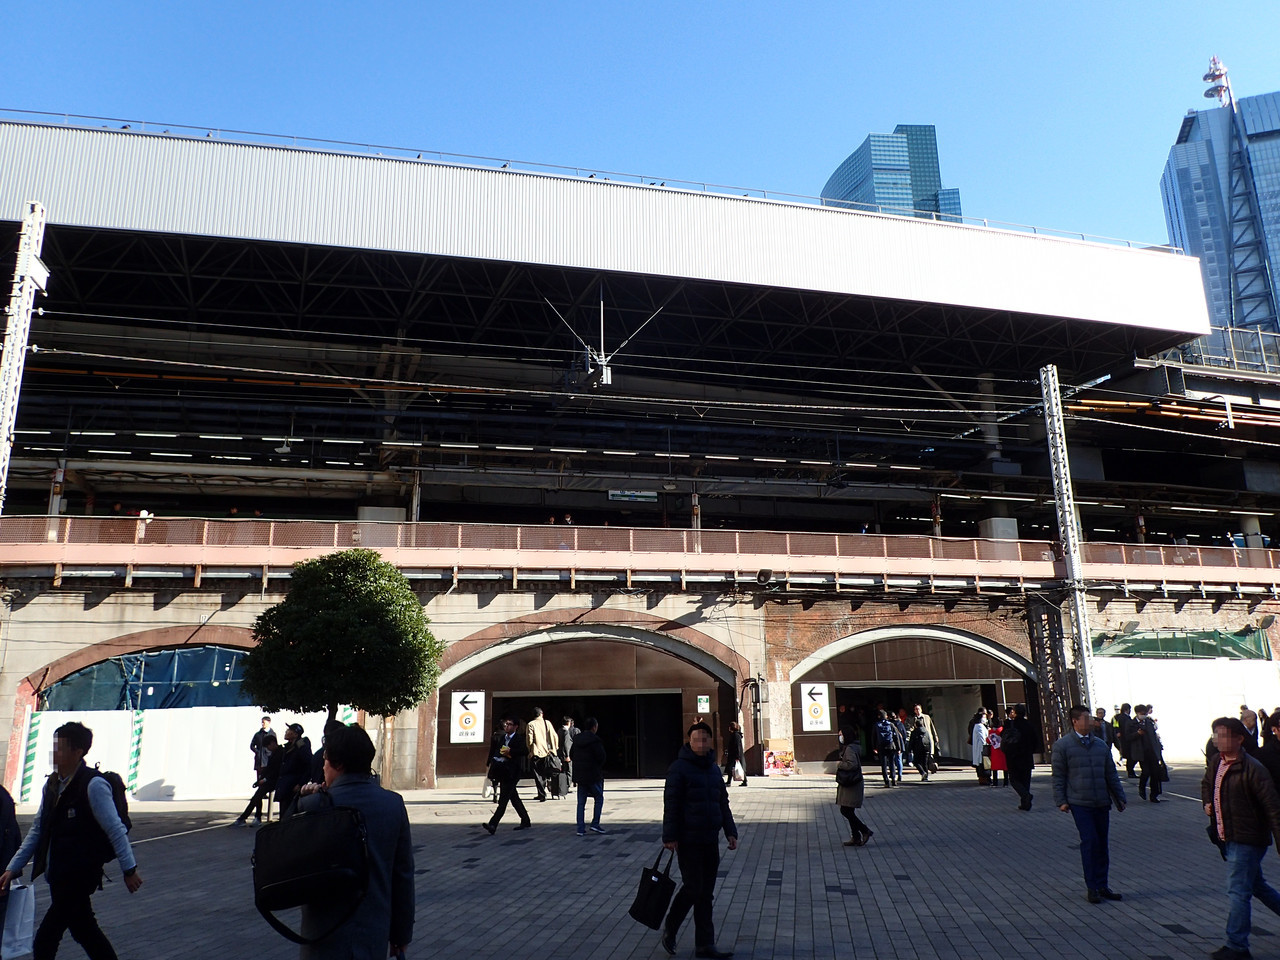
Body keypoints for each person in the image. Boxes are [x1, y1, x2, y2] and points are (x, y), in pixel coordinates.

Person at [0, 721, 142, 960]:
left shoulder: (93, 785)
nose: (54, 753)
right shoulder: (53, 785)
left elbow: (115, 829)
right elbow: (37, 830)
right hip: (58, 874)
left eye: (60, 748)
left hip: (79, 875)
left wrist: (129, 869)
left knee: (46, 940)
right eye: (54, 746)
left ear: (78, 752)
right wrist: (13, 868)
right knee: (85, 931)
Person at [295, 723, 414, 960]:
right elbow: (402, 875)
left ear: (337, 764)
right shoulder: (392, 804)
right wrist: (401, 935)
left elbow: (288, 855)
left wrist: (301, 801)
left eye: (326, 760)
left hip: (323, 931)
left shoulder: (315, 805)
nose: (323, 766)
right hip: (373, 929)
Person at [1202, 716, 1280, 960]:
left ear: (1239, 739)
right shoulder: (1217, 761)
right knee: (1257, 886)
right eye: (1216, 734)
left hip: (1248, 838)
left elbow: (1273, 808)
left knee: (1238, 892)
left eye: (1223, 735)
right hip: (1227, 837)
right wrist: (1207, 802)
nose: (1218, 740)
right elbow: (1207, 784)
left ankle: (1237, 946)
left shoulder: (1253, 768)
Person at [661, 722, 738, 960]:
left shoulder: (714, 769)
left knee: (706, 894)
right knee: (694, 888)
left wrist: (730, 830)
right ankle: (670, 929)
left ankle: (705, 944)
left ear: (710, 742)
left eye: (705, 739)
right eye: (697, 739)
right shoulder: (679, 768)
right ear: (689, 741)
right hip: (688, 839)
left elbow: (722, 802)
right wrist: (670, 836)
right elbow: (671, 803)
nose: (701, 743)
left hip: (709, 839)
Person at [1051, 704, 1126, 904]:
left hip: (1101, 801)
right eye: (1085, 718)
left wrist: (1119, 798)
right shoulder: (1063, 746)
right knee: (1090, 841)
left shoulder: (1101, 745)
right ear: (1075, 721)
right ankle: (1091, 886)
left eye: (1090, 718)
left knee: (1102, 844)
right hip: (1079, 802)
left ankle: (1103, 884)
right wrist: (1061, 801)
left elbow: (1111, 774)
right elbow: (1058, 776)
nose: (1090, 722)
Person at [484, 716, 531, 833]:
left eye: (509, 724)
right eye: (506, 724)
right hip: (503, 771)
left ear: (515, 727)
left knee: (503, 800)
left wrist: (510, 752)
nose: (507, 726)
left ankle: (493, 824)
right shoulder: (502, 738)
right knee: (514, 798)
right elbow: (497, 751)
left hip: (513, 772)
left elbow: (524, 751)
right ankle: (525, 820)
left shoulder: (518, 739)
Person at [231, 733, 280, 825]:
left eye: (268, 746)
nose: (267, 749)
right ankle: (254, 817)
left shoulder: (280, 753)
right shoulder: (273, 753)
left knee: (258, 795)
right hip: (270, 779)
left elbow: (276, 770)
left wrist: (264, 779)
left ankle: (247, 817)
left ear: (273, 743)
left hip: (275, 780)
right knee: (257, 795)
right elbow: (269, 769)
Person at [569, 717, 607, 836]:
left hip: (580, 775)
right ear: (594, 727)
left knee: (581, 802)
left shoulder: (577, 739)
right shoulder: (595, 740)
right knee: (599, 798)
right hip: (593, 774)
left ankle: (580, 828)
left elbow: (571, 755)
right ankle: (595, 823)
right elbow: (602, 757)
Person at [834, 728, 871, 846]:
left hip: (851, 783)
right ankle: (856, 837)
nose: (840, 737)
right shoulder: (852, 747)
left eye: (841, 734)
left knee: (845, 810)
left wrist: (840, 764)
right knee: (848, 810)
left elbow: (852, 764)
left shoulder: (849, 749)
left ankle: (865, 830)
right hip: (852, 782)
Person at [1003, 703, 1036, 810]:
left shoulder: (1010, 724)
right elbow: (1035, 740)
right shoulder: (1029, 725)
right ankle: (1026, 803)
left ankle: (1025, 796)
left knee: (1014, 779)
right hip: (1027, 756)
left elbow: (1003, 738)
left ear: (1015, 712)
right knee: (1026, 780)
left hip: (1013, 756)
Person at [276, 723, 313, 818]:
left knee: (289, 815)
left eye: (289, 731)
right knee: (283, 814)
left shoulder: (301, 746)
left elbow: (308, 766)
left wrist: (300, 783)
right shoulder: (288, 747)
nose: (286, 732)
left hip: (293, 786)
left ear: (295, 734)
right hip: (285, 786)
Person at [1129, 705, 1165, 803]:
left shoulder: (1149, 722)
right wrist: (1137, 734)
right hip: (1141, 753)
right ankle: (1142, 787)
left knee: (1155, 774)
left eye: (1145, 713)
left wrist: (1159, 748)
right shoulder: (1131, 723)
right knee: (1146, 772)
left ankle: (1154, 795)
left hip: (1152, 751)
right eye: (1142, 714)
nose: (1143, 715)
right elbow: (1128, 737)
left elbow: (1154, 737)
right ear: (1137, 713)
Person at [525, 706, 559, 803]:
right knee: (545, 772)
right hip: (548, 752)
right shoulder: (547, 723)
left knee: (538, 774)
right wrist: (555, 748)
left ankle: (542, 794)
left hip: (537, 752)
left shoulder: (531, 724)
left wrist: (530, 750)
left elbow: (529, 739)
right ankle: (546, 789)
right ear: (541, 714)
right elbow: (554, 736)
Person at [908, 704, 940, 780]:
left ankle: (926, 773)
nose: (917, 710)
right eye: (916, 709)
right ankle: (925, 774)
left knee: (927, 758)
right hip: (918, 741)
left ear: (921, 709)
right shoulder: (914, 719)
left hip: (928, 740)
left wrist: (935, 736)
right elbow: (911, 728)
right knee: (922, 759)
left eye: (918, 709)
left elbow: (932, 727)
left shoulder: (927, 717)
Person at [872, 710, 903, 787]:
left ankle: (886, 781)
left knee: (884, 764)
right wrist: (899, 748)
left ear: (879, 716)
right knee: (892, 763)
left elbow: (873, 737)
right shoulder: (891, 724)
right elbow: (896, 737)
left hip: (881, 747)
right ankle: (893, 779)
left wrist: (874, 747)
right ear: (886, 716)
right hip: (891, 746)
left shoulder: (876, 725)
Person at [1114, 703, 1137, 777]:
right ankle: (1130, 772)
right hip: (1126, 739)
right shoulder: (1123, 718)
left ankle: (1130, 771)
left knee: (1130, 756)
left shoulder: (1121, 717)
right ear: (1127, 710)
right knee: (1131, 756)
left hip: (1124, 739)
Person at [724, 721, 747, 787]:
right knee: (735, 768)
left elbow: (737, 746)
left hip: (735, 756)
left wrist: (737, 757)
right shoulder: (735, 735)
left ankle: (729, 782)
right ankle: (744, 781)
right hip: (734, 755)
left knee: (732, 768)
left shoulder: (735, 735)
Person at [970, 710, 990, 784]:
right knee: (983, 765)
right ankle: (984, 780)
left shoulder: (979, 725)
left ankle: (983, 779)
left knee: (982, 765)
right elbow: (982, 739)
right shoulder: (979, 726)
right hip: (981, 749)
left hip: (980, 749)